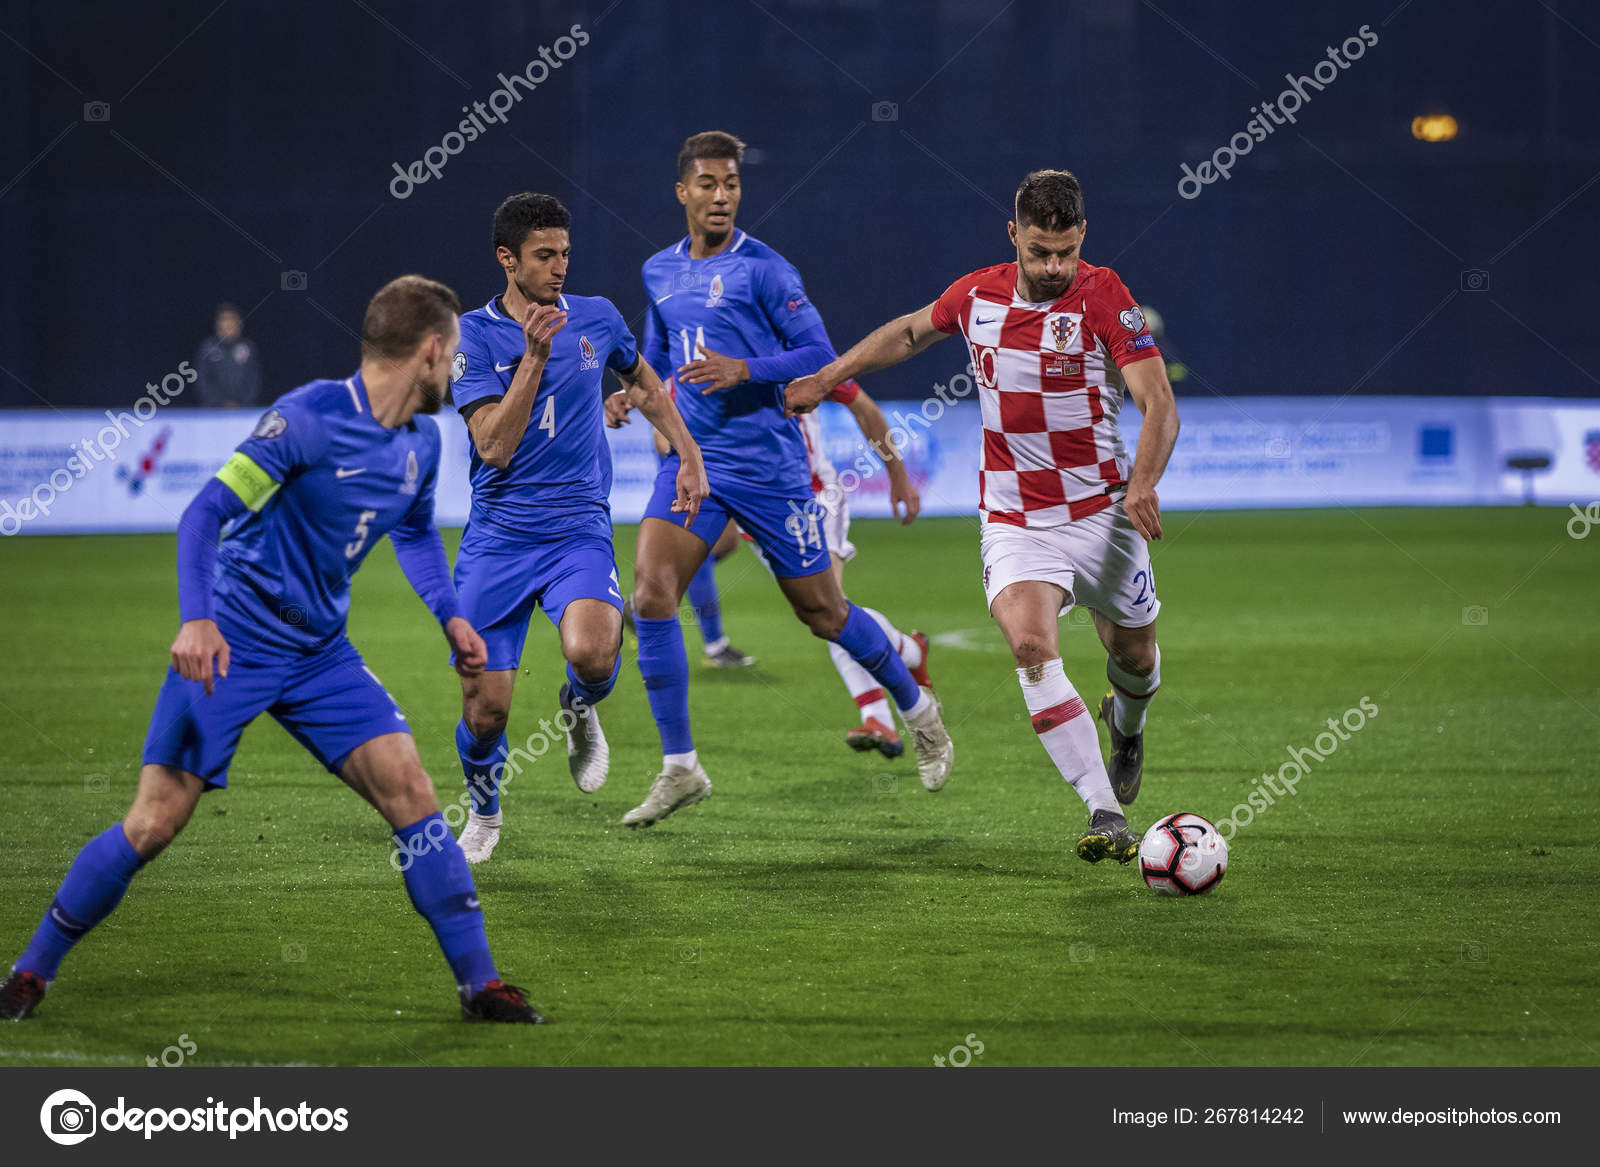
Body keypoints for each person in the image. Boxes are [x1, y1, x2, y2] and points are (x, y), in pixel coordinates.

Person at [1, 275, 545, 1023]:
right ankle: (30, 973)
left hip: (322, 652)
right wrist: (198, 620)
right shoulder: (308, 419)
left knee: (413, 793)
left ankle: (480, 985)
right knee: (155, 820)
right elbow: (204, 513)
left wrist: (450, 615)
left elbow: (414, 532)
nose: (456, 372)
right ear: (428, 350)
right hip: (238, 638)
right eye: (452, 356)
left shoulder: (422, 440)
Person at [785, 169, 1179, 865]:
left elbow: (1158, 402)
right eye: (1038, 252)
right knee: (1030, 645)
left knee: (1135, 657)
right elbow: (908, 334)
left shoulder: (1104, 295)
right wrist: (825, 377)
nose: (1054, 267)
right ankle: (1103, 808)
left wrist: (1143, 482)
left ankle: (1127, 724)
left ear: (1082, 234)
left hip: (1105, 514)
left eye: (1064, 251)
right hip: (1017, 517)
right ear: (1013, 236)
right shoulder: (977, 295)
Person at [615, 130, 953, 828]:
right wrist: (631, 393)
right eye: (707, 183)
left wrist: (747, 369)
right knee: (650, 594)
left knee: (824, 613)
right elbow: (654, 358)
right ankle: (681, 766)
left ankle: (920, 713)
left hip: (770, 470)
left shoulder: (766, 271)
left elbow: (822, 355)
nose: (720, 195)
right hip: (695, 465)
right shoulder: (658, 271)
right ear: (683, 191)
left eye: (731, 183)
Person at [448, 194, 707, 865]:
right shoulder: (472, 337)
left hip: (576, 531)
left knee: (596, 653)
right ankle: (483, 807)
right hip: (498, 539)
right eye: (543, 256)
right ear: (507, 259)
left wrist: (687, 452)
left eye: (564, 252)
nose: (559, 267)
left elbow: (647, 382)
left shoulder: (597, 316)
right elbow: (493, 448)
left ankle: (577, 702)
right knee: (486, 714)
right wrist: (533, 358)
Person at [761, 378, 932, 758]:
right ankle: (911, 651)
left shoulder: (798, 352)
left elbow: (864, 407)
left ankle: (878, 716)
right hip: (762, 513)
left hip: (816, 499)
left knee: (831, 610)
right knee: (820, 614)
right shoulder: (713, 359)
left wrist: (899, 476)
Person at [612, 391, 757, 670]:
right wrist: (679, 460)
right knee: (697, 551)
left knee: (726, 544)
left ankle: (643, 602)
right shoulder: (677, 365)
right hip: (686, 476)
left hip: (715, 467)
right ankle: (715, 645)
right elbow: (659, 423)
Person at [194, 302, 263, 408]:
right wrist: (220, 403)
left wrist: (239, 403)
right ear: (217, 324)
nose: (228, 323)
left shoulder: (249, 348)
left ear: (239, 323)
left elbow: (254, 381)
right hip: (213, 410)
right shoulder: (207, 347)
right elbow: (203, 381)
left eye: (231, 319)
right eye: (224, 319)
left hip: (243, 410)